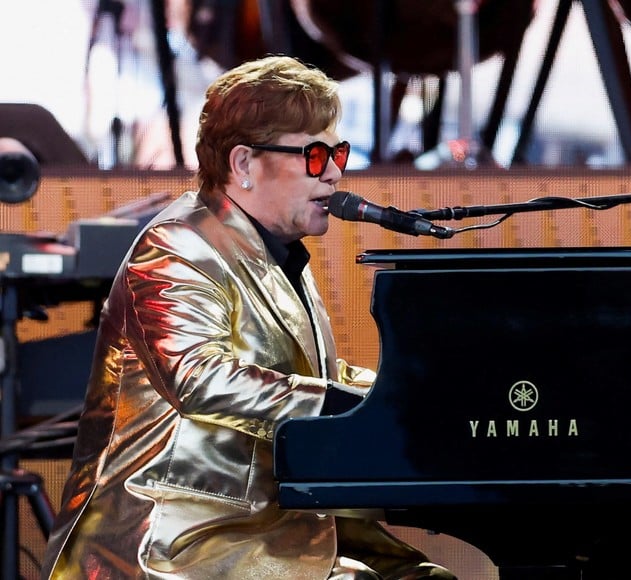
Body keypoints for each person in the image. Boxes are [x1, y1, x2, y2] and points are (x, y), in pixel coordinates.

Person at [41, 55, 457, 580]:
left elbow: (312, 376)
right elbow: (199, 377)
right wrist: (349, 404)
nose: (333, 171)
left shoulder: (276, 250)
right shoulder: (178, 245)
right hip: (175, 535)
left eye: (338, 153)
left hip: (265, 521)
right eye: (314, 154)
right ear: (243, 163)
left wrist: (410, 393)